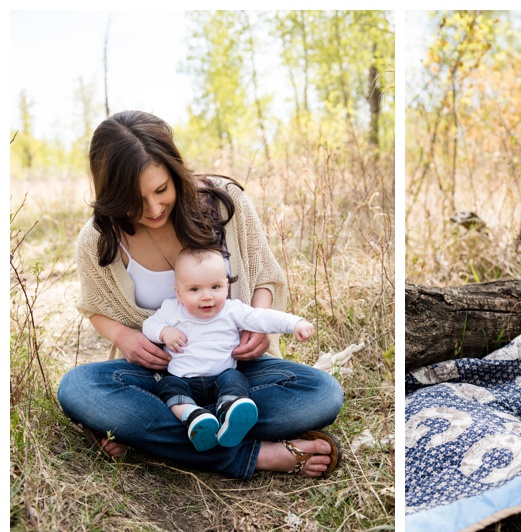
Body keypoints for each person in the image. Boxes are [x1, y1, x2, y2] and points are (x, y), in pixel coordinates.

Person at [57, 110, 343, 478]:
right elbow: (95, 307)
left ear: (175, 172)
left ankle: (149, 436)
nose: (154, 209)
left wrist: (258, 324)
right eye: (135, 200)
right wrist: (124, 337)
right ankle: (255, 455)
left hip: (236, 371)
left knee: (323, 395)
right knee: (78, 389)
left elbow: (266, 277)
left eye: (161, 190)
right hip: (162, 377)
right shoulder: (99, 239)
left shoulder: (226, 205)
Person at [142, 247, 317, 452]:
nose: (207, 297)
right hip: (182, 379)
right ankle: (194, 416)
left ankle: (230, 412)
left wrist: (295, 323)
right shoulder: (172, 310)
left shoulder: (232, 310)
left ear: (226, 286)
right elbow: (149, 326)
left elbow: (262, 318)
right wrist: (164, 332)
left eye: (215, 287)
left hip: (221, 378)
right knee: (167, 386)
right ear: (178, 293)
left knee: (235, 379)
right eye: (194, 290)